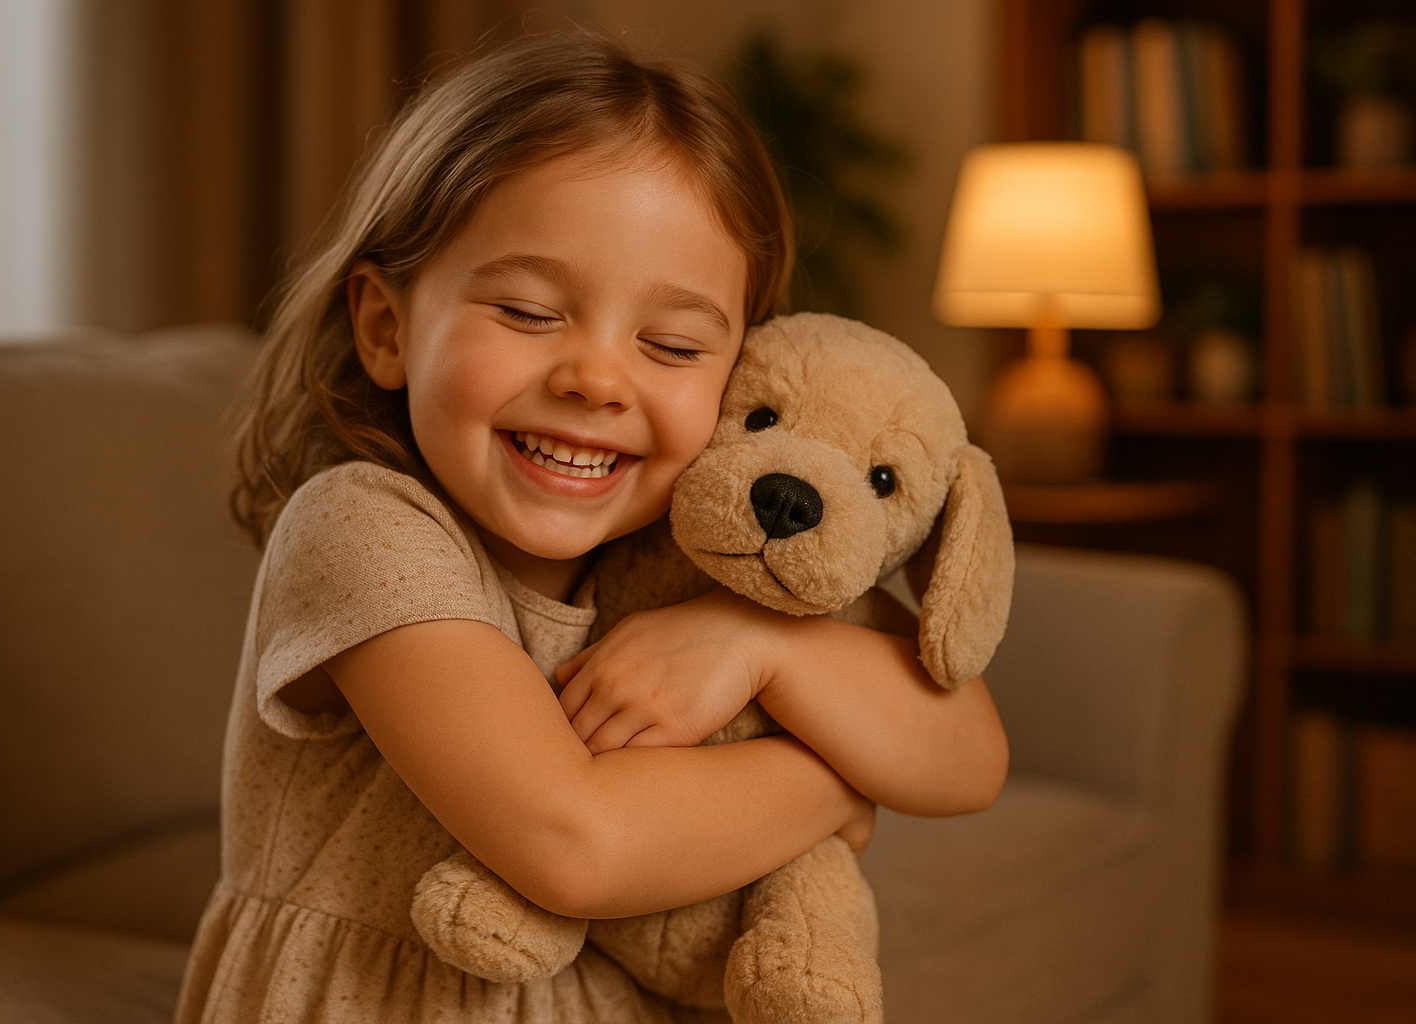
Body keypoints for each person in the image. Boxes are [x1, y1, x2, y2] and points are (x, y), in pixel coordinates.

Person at [174, 30, 1008, 1024]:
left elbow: (970, 752)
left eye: (670, 343)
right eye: (528, 312)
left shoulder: (694, 555)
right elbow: (572, 842)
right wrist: (836, 782)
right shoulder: (361, 527)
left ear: (741, 374)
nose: (597, 379)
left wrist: (756, 649)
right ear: (386, 327)